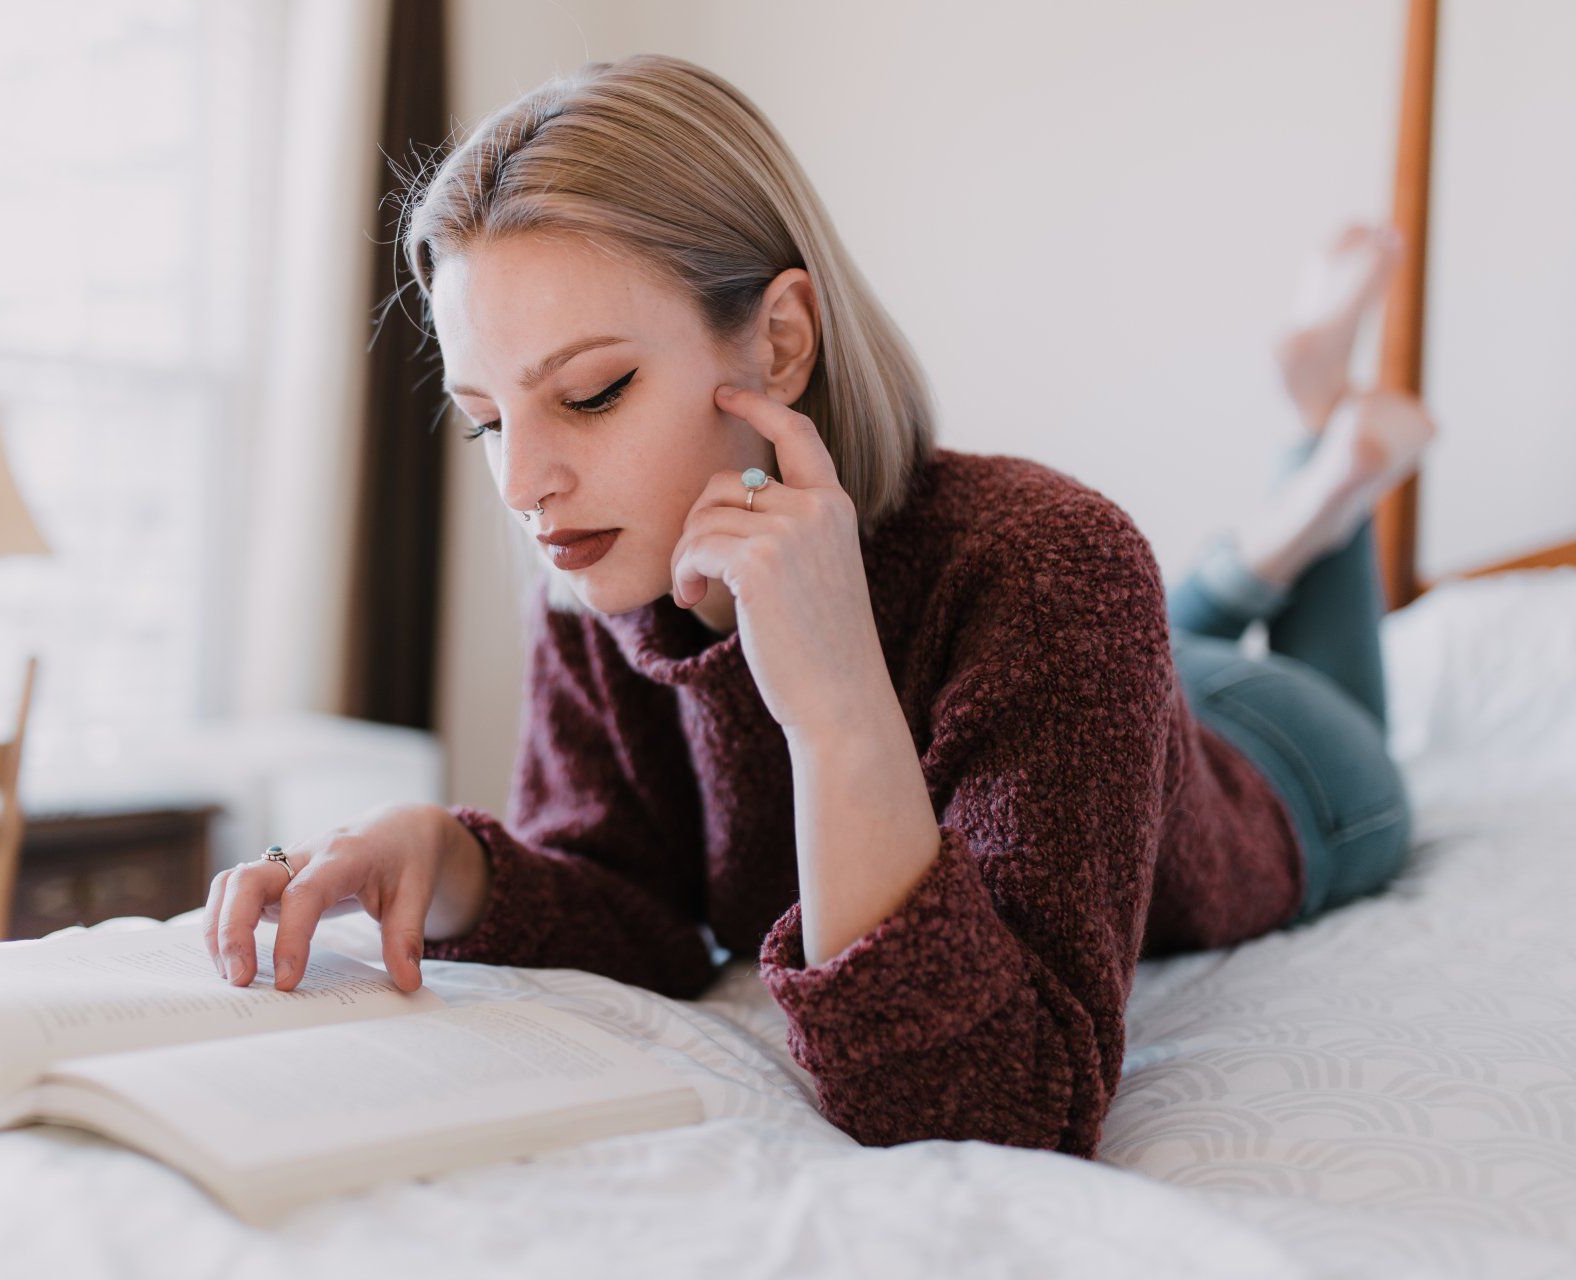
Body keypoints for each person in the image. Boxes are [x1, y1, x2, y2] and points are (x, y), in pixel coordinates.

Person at [202, 54, 1435, 1157]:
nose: (524, 483)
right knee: (1188, 623)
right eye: (483, 416)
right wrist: (451, 857)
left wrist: (838, 704)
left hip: (1288, 768)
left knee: (1322, 696)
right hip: (1130, 677)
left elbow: (1007, 1095)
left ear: (780, 340)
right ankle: (1319, 462)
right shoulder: (597, 570)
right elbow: (640, 908)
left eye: (590, 392)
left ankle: (1327, 440)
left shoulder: (1052, 561)